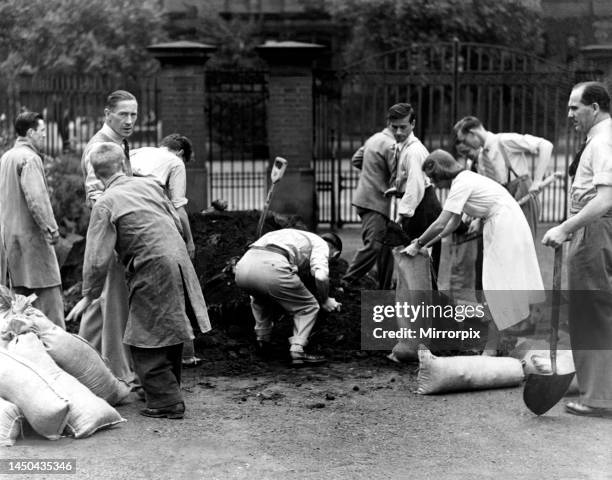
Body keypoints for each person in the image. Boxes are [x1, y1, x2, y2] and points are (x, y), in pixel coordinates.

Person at [67, 143, 211, 419]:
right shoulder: (152, 187)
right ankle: (162, 391)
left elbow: (98, 256)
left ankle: (166, 401)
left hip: (150, 267)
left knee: (143, 336)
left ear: (97, 177)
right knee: (168, 327)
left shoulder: (106, 203)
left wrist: (89, 294)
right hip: (178, 261)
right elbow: (177, 221)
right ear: (124, 165)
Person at [404, 150, 544, 355]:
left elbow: (441, 223)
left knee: (496, 284)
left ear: (441, 172)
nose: (433, 184)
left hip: (505, 225)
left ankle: (493, 347)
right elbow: (452, 225)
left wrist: (417, 243)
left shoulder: (461, 183)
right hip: (502, 222)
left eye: (433, 178)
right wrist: (426, 245)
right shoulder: (464, 180)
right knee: (497, 284)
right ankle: (501, 341)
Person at [542, 81, 612, 417]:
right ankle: (601, 391)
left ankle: (597, 398)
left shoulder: (602, 141)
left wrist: (565, 228)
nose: (569, 113)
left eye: (575, 107)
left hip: (594, 232)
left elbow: (605, 199)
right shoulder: (601, 138)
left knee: (590, 312)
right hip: (595, 229)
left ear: (594, 107)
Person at [77, 90, 138, 384]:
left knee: (100, 304)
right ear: (107, 114)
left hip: (114, 231)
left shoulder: (118, 143)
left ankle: (81, 362)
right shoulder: (100, 147)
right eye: (123, 114)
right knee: (113, 304)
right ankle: (118, 372)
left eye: (133, 115)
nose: (129, 121)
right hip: (111, 233)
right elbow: (96, 195)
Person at [130, 133, 200, 367]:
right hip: (154, 222)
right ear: (180, 152)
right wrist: (188, 241)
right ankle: (186, 353)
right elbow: (178, 206)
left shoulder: (138, 152)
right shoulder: (175, 162)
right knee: (176, 284)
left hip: (128, 216)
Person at [235, 229, 342, 366]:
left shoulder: (293, 236)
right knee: (308, 306)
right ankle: (298, 350)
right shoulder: (321, 244)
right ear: (335, 253)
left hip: (243, 267)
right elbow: (321, 276)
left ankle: (263, 341)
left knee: (260, 297)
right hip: (271, 266)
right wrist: (325, 300)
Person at [0, 112, 65, 327]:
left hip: (12, 244)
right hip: (33, 243)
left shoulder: (7, 157)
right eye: (43, 132)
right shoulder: (30, 158)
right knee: (50, 308)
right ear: (31, 133)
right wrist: (52, 229)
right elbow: (37, 198)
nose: (45, 137)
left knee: (20, 307)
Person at [453, 116, 553, 239]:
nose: (464, 145)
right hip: (503, 199)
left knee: (524, 244)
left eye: (464, 140)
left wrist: (537, 181)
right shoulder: (482, 157)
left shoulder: (504, 140)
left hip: (521, 193)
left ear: (472, 133)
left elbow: (546, 145)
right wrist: (478, 218)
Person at [342, 104, 399, 289]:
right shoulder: (391, 145)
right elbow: (397, 175)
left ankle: (385, 288)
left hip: (366, 200)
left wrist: (372, 173)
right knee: (374, 245)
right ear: (393, 124)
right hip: (375, 202)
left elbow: (356, 159)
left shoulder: (374, 138)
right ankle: (346, 281)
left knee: (384, 248)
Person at [388, 103, 442, 282]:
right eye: (394, 127)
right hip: (418, 204)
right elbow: (408, 179)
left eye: (403, 127)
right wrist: (397, 189)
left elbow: (416, 185)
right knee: (415, 260)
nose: (398, 132)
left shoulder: (414, 151)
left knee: (421, 260)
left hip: (422, 208)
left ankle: (428, 306)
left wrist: (402, 215)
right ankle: (420, 303)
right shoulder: (402, 145)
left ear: (413, 124)